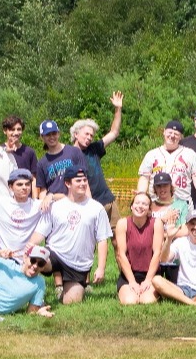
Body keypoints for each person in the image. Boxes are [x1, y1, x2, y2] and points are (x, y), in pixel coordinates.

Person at [45, 169, 112, 305]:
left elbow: (102, 240)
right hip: (55, 254)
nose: (82, 184)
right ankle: (33, 297)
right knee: (34, 261)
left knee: (71, 302)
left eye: (84, 180)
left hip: (78, 265)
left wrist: (101, 268)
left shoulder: (97, 208)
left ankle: (67, 290)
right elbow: (41, 233)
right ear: (68, 183)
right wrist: (29, 248)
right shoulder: (56, 207)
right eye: (78, 181)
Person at [72, 92, 124, 206]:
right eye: (86, 134)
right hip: (87, 205)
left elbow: (114, 132)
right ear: (76, 134)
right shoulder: (68, 155)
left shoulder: (94, 149)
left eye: (91, 135)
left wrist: (118, 109)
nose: (89, 137)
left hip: (108, 201)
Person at [115, 193, 167, 305]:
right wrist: (132, 282)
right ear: (131, 206)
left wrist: (148, 280)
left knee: (147, 301)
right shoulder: (122, 223)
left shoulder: (157, 223)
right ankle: (126, 290)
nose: (140, 206)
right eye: (137, 203)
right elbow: (121, 254)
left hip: (150, 274)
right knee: (130, 302)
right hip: (129, 275)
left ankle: (149, 290)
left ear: (149, 209)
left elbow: (157, 253)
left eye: (144, 204)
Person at [35, 120, 91, 199]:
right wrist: (42, 205)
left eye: (54, 133)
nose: (51, 137)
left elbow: (85, 180)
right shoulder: (41, 163)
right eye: (48, 134)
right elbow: (43, 190)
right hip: (54, 203)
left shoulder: (74, 152)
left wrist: (89, 202)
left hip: (75, 200)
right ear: (42, 137)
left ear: (58, 133)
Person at [0, 115, 39, 179]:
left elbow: (34, 178)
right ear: (5, 131)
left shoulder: (29, 152)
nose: (16, 133)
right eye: (12, 129)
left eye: (19, 129)